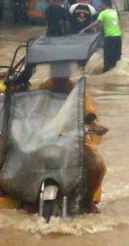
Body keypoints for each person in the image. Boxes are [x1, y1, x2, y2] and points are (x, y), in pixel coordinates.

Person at [40, 62, 108, 213]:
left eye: (63, 74)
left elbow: (89, 113)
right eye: (56, 73)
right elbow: (34, 113)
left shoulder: (77, 91)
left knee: (97, 165)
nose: (59, 79)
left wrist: (95, 126)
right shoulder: (43, 89)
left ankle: (88, 200)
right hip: (48, 139)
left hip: (73, 138)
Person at [94, 0, 122, 73]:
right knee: (116, 59)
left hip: (109, 38)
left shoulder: (103, 13)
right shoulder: (116, 12)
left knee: (107, 60)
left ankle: (105, 77)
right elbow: (117, 24)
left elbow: (98, 25)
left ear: (103, 4)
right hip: (118, 37)